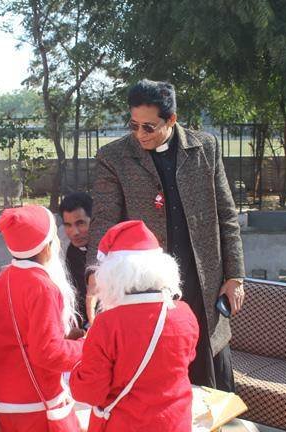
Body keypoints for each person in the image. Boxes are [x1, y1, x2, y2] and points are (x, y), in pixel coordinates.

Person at [87, 79, 245, 391]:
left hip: (201, 280)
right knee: (159, 372)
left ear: (171, 119)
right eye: (133, 125)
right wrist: (95, 274)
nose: (140, 134)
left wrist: (235, 276)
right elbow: (104, 220)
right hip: (147, 287)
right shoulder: (114, 157)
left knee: (210, 377)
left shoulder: (204, 148)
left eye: (149, 127)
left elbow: (226, 215)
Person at [70, 220, 199, 431]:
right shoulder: (185, 313)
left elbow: (89, 392)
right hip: (175, 422)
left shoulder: (107, 324)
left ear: (112, 275)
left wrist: (78, 363)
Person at [0, 205, 85, 432]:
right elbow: (48, 353)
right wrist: (84, 346)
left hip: (5, 392)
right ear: (47, 248)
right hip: (36, 400)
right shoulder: (43, 286)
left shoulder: (2, 279)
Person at [59, 192, 93, 326]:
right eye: (68, 225)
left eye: (80, 223)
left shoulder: (109, 252)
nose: (75, 232)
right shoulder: (64, 250)